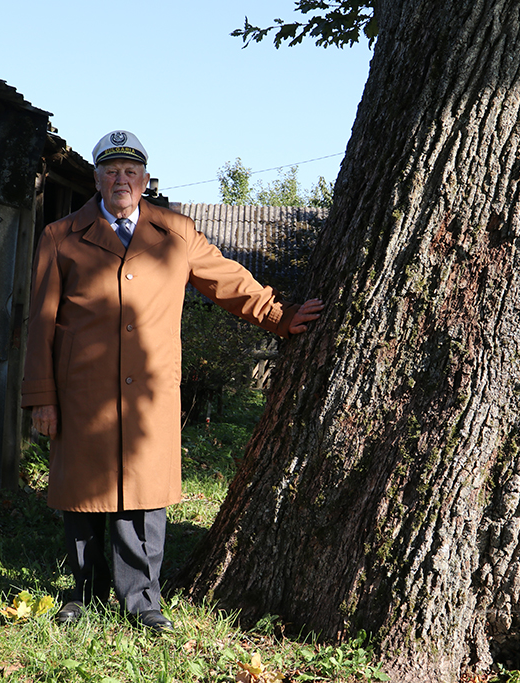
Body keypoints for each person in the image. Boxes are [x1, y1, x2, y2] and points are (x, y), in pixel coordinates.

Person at [21, 130, 323, 631]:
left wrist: (279, 316)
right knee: (81, 495)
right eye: (112, 170)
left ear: (144, 179)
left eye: (130, 171)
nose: (121, 179)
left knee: (145, 499)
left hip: (149, 396)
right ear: (97, 177)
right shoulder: (60, 236)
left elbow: (228, 281)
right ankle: (82, 593)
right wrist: (41, 399)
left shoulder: (176, 233)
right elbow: (40, 324)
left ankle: (143, 603)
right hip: (81, 393)